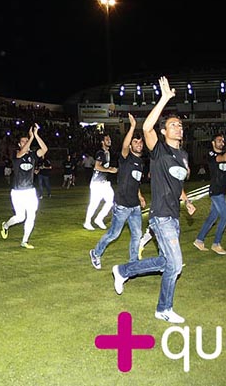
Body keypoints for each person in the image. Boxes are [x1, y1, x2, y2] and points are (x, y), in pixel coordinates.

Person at [111, 77, 195, 324]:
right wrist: (165, 98)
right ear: (164, 131)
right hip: (161, 217)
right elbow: (147, 128)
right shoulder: (159, 151)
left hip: (175, 216)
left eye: (180, 125)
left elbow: (177, 183)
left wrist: (186, 200)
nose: (178, 127)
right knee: (176, 265)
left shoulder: (183, 155)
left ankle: (122, 270)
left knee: (166, 262)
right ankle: (163, 308)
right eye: (172, 125)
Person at [89, 113, 147, 269]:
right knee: (113, 234)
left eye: (140, 142)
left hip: (134, 206)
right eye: (135, 142)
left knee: (136, 235)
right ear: (130, 145)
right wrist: (133, 127)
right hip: (122, 205)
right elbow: (124, 145)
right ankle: (96, 253)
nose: (139, 144)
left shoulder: (140, 162)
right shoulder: (125, 158)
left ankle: (133, 263)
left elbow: (136, 182)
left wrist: (140, 197)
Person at [193, 130, 226, 255]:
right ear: (213, 142)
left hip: (222, 191)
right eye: (219, 140)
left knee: (212, 217)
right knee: (225, 217)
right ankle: (216, 244)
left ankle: (199, 240)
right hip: (216, 191)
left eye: (223, 141)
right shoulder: (211, 154)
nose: (222, 142)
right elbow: (224, 158)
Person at [0, 123, 48, 249]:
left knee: (31, 215)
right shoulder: (16, 155)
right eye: (23, 141)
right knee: (20, 217)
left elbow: (44, 149)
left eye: (27, 141)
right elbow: (21, 153)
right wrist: (30, 138)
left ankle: (24, 241)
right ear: (19, 144)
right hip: (17, 192)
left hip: (30, 191)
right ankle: (6, 226)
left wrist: (36, 135)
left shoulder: (32, 156)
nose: (26, 142)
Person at [83, 134, 118, 230]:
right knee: (94, 203)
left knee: (110, 201)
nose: (109, 140)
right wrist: (109, 170)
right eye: (107, 139)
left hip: (104, 182)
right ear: (102, 142)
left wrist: (110, 169)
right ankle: (87, 222)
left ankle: (99, 219)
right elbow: (97, 166)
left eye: (109, 138)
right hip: (97, 182)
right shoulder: (100, 153)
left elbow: (104, 166)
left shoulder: (108, 153)